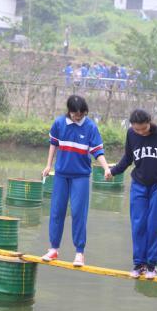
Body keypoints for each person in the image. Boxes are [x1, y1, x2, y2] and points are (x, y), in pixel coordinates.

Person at [105, 109, 157, 279]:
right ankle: (139, 264)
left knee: (154, 224)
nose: (140, 132)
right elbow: (128, 158)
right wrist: (113, 171)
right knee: (138, 224)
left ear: (149, 122)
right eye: (136, 129)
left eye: (143, 129)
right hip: (139, 184)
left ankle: (152, 265)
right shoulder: (131, 134)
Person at [41, 95, 111, 266]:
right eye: (74, 114)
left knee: (79, 212)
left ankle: (79, 252)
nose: (77, 117)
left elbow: (97, 151)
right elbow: (53, 144)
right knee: (57, 211)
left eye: (81, 114)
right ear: (69, 111)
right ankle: (53, 249)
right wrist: (48, 165)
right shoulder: (59, 124)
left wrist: (106, 168)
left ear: (85, 112)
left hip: (80, 176)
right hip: (61, 175)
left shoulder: (90, 127)